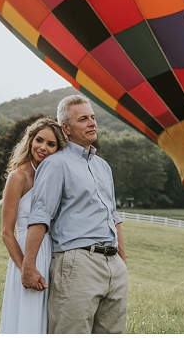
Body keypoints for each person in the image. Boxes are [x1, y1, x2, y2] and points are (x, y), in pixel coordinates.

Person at [21, 94, 128, 334]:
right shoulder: (56, 164)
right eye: (83, 119)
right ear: (66, 128)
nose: (92, 123)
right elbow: (40, 216)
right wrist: (28, 265)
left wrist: (122, 261)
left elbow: (113, 216)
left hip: (113, 267)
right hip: (78, 263)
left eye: (93, 117)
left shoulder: (103, 166)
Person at [0, 117, 65, 333]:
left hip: (53, 252)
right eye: (39, 140)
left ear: (58, 148)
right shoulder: (18, 177)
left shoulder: (56, 178)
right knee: (27, 316)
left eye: (51, 144)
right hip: (28, 253)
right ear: (30, 141)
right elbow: (7, 232)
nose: (43, 148)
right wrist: (25, 268)